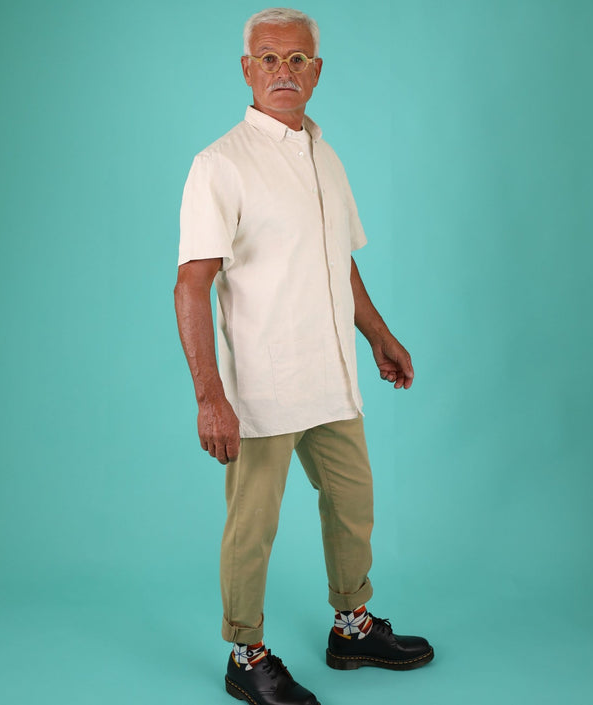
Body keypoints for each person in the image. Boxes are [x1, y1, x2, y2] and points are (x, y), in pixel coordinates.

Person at [175, 8, 434, 705]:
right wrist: (210, 394)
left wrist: (377, 334)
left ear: (317, 72)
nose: (282, 72)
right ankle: (245, 652)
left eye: (297, 60)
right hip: (260, 385)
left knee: (353, 504)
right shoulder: (219, 164)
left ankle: (352, 627)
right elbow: (190, 285)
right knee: (253, 525)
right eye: (268, 59)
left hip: (332, 375)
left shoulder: (323, 151)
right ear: (246, 70)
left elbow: (337, 259)